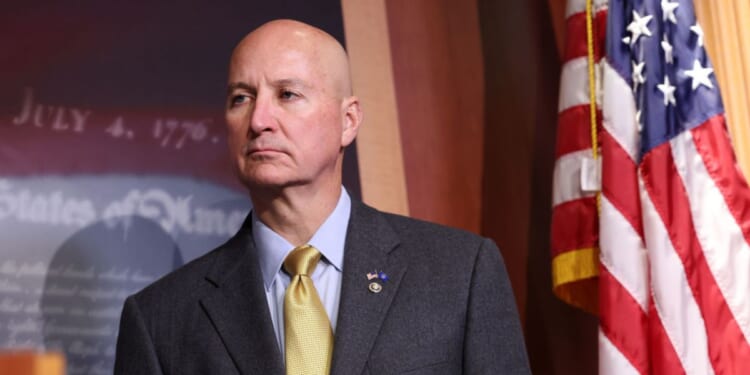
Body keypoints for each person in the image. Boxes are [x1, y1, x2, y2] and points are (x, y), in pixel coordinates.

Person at [114, 19, 530, 374]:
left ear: (348, 121)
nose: (259, 120)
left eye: (287, 94)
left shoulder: (460, 276)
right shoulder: (159, 320)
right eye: (241, 98)